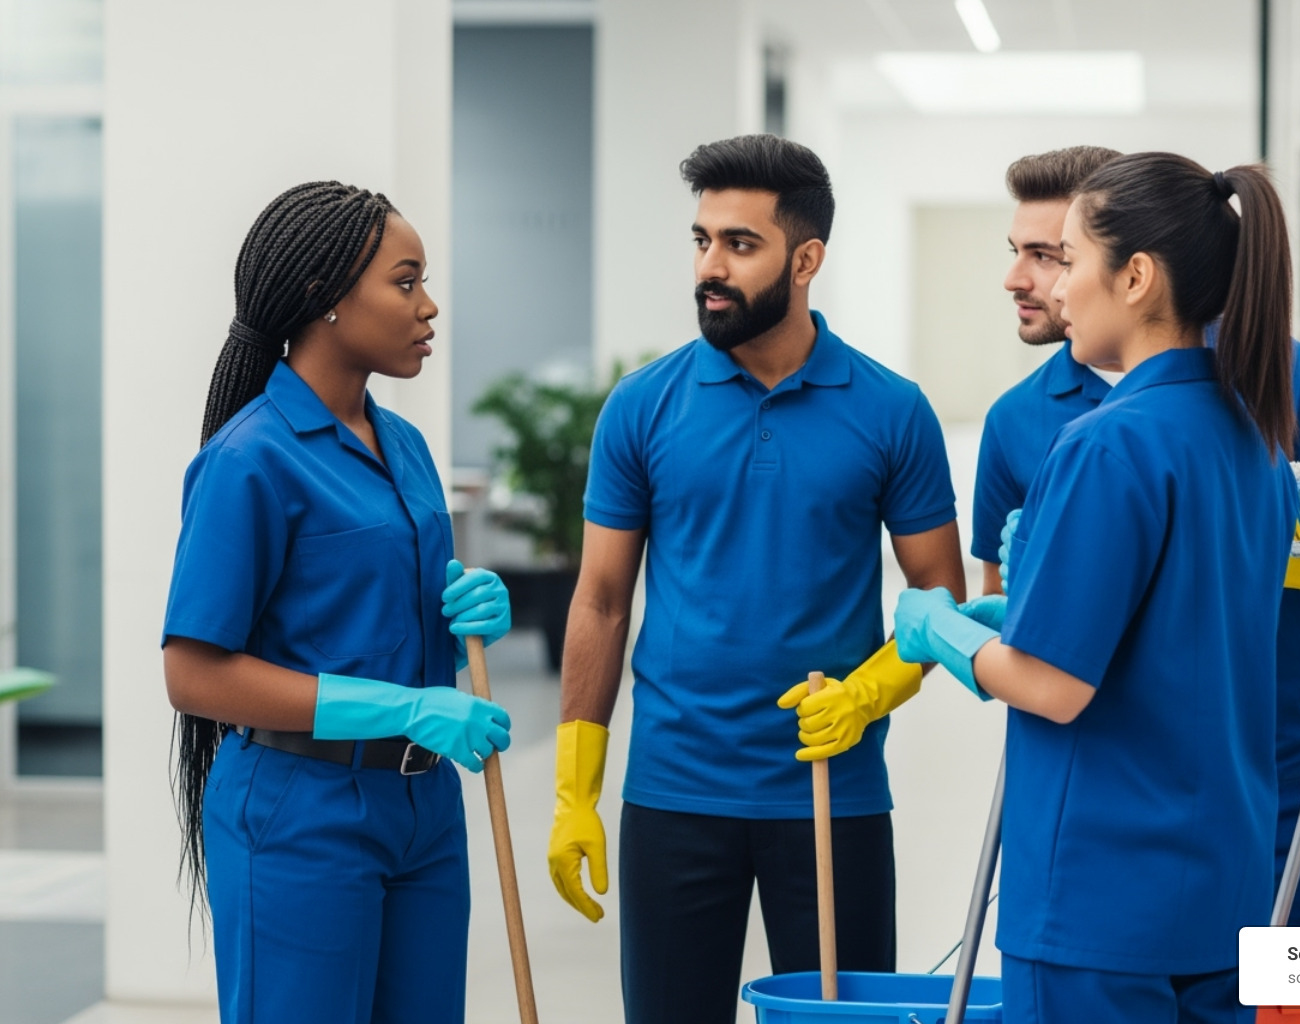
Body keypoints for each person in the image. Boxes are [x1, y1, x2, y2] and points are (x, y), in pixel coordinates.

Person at [545, 134, 965, 1023]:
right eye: (703, 240)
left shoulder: (893, 411)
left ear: (806, 259)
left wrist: (868, 694)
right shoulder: (642, 405)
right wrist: (575, 788)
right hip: (673, 792)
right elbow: (602, 600)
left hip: (831, 791)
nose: (711, 267)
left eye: (740, 244)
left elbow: (940, 597)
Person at [896, 153, 1299, 1023]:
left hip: (1100, 903)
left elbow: (1052, 686)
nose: (1056, 289)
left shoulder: (1104, 444)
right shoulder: (1257, 444)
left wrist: (941, 629)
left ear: (1138, 277)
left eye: (1069, 260)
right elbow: (1178, 632)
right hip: (1224, 891)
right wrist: (1021, 613)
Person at [973, 146, 1300, 928]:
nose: (1031, 281)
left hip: (1275, 756)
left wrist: (1268, 558)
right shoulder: (1019, 422)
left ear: (1135, 271)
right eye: (1022, 254)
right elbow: (1016, 617)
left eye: (1054, 255)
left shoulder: (1270, 375)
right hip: (1119, 790)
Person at [162, 181, 515, 1024]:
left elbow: (372, 606)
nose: (428, 306)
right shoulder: (250, 460)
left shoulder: (407, 446)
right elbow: (193, 675)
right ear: (325, 297)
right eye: (405, 281)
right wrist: (401, 705)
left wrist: (465, 605)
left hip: (424, 810)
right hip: (301, 813)